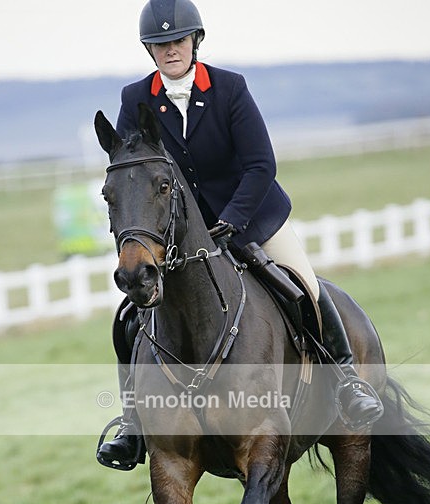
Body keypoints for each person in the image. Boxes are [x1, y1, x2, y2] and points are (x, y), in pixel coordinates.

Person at [97, 0, 383, 469]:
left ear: (194, 42)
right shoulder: (135, 99)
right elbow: (134, 170)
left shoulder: (229, 88)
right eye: (160, 44)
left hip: (251, 216)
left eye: (177, 41)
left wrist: (231, 218)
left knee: (304, 286)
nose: (170, 50)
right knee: (132, 314)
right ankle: (132, 423)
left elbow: (260, 164)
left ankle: (348, 382)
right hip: (181, 235)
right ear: (149, 50)